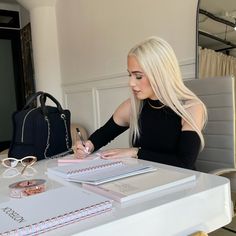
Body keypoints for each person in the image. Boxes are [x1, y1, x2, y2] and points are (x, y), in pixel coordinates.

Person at [76, 36, 207, 170]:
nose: (131, 83)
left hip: (180, 183)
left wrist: (135, 152)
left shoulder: (190, 107)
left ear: (160, 74)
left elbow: (184, 163)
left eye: (138, 76)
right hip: (144, 180)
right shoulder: (133, 106)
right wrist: (88, 146)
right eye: (130, 75)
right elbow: (103, 134)